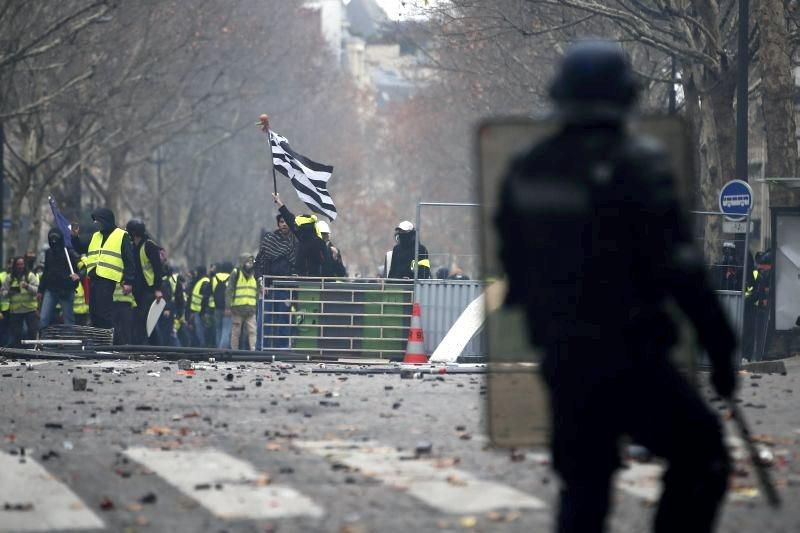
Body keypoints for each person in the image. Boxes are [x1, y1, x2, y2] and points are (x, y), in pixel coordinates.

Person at [495, 41, 737, 533]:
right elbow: (681, 268)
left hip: (564, 355)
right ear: (626, 96)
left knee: (584, 486)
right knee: (702, 454)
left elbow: (514, 264)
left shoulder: (528, 168)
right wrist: (720, 345)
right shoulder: (640, 163)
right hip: (634, 354)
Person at [73, 208, 136, 331]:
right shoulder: (95, 236)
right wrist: (75, 237)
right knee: (94, 312)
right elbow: (80, 248)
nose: (96, 224)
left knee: (103, 312)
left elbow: (129, 260)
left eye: (98, 221)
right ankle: (99, 342)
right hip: (94, 278)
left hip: (107, 279)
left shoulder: (122, 235)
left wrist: (128, 281)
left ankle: (107, 341)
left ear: (106, 221)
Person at [256, 205, 298, 350]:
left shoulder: (296, 242)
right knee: (265, 320)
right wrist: (262, 282)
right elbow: (259, 263)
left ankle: (283, 349)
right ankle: (262, 349)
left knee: (284, 319)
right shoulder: (270, 240)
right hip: (269, 287)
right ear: (278, 224)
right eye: (281, 222)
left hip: (286, 288)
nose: (284, 224)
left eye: (286, 221)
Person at [126, 219, 164, 344]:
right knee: (146, 322)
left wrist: (158, 289)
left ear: (134, 233)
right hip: (138, 291)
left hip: (149, 290)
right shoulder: (133, 247)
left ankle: (146, 346)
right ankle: (156, 347)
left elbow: (158, 269)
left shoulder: (149, 246)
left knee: (145, 320)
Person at [272, 193, 329, 276]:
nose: (296, 226)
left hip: (308, 281)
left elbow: (289, 219)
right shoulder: (319, 242)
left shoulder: (303, 237)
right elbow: (326, 265)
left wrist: (279, 202)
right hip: (316, 282)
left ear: (304, 227)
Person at [38, 228, 81, 330]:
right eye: (51, 239)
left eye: (55, 239)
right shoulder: (48, 253)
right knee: (44, 318)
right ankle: (43, 341)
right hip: (51, 289)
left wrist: (78, 275)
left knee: (68, 320)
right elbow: (46, 272)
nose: (54, 242)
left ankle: (70, 343)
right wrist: (40, 290)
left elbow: (82, 265)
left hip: (66, 289)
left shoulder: (69, 252)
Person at [0, 256, 40, 346]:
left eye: (22, 264)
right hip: (16, 310)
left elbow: (37, 291)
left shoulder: (30, 276)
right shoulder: (9, 278)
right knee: (17, 334)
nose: (20, 266)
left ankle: (33, 350)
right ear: (15, 266)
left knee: (32, 331)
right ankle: (18, 351)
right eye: (18, 264)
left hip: (30, 309)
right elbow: (3, 292)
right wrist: (9, 292)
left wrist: (27, 286)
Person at [226, 253, 259, 351]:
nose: (250, 264)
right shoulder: (236, 273)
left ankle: (253, 351)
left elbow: (257, 290)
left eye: (251, 262)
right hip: (237, 309)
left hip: (251, 309)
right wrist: (228, 306)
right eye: (248, 261)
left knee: (252, 331)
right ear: (242, 262)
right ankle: (234, 351)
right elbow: (229, 290)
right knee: (236, 332)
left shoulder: (255, 274)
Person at [187, 266, 212, 347]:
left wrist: (203, 312)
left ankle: (204, 348)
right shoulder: (201, 281)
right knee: (199, 333)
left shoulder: (205, 282)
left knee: (202, 333)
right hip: (198, 312)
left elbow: (205, 298)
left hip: (202, 312)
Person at [211, 261, 232, 348]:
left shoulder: (214, 278)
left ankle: (217, 349)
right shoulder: (232, 278)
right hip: (227, 309)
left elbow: (207, 293)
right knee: (226, 331)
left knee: (218, 330)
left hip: (216, 308)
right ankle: (222, 350)